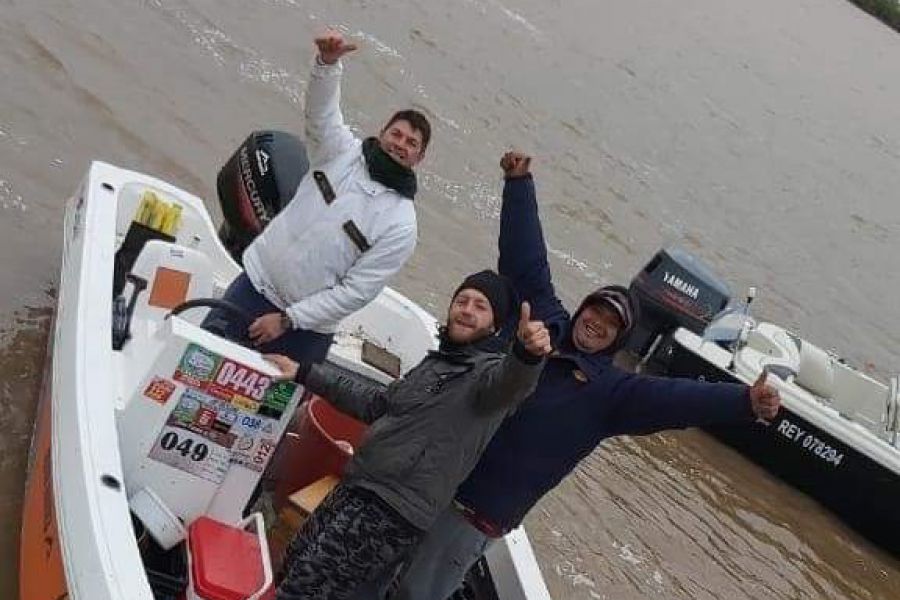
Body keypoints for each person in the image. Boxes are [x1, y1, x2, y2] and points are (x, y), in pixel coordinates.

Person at [386, 152, 782, 600]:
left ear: (618, 338)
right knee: (379, 570)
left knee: (414, 595)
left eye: (610, 324)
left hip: (474, 515)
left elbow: (676, 398)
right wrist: (519, 183)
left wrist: (744, 401)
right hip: (433, 480)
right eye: (594, 311)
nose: (596, 323)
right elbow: (525, 257)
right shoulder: (549, 321)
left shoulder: (612, 395)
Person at [264, 269, 553, 600]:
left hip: (391, 511)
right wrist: (304, 372)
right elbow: (376, 403)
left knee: (305, 588)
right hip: (358, 485)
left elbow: (513, 380)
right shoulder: (437, 364)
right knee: (295, 560)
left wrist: (527, 355)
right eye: (462, 300)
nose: (467, 310)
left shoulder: (488, 379)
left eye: (480, 306)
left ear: (495, 325)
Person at [205, 30, 431, 362]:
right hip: (254, 287)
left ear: (419, 159)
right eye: (396, 134)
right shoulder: (340, 151)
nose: (401, 144)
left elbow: (355, 292)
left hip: (302, 334)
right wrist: (327, 64)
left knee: (256, 413)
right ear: (382, 133)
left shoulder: (401, 225)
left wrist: (288, 320)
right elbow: (321, 113)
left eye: (412, 143)